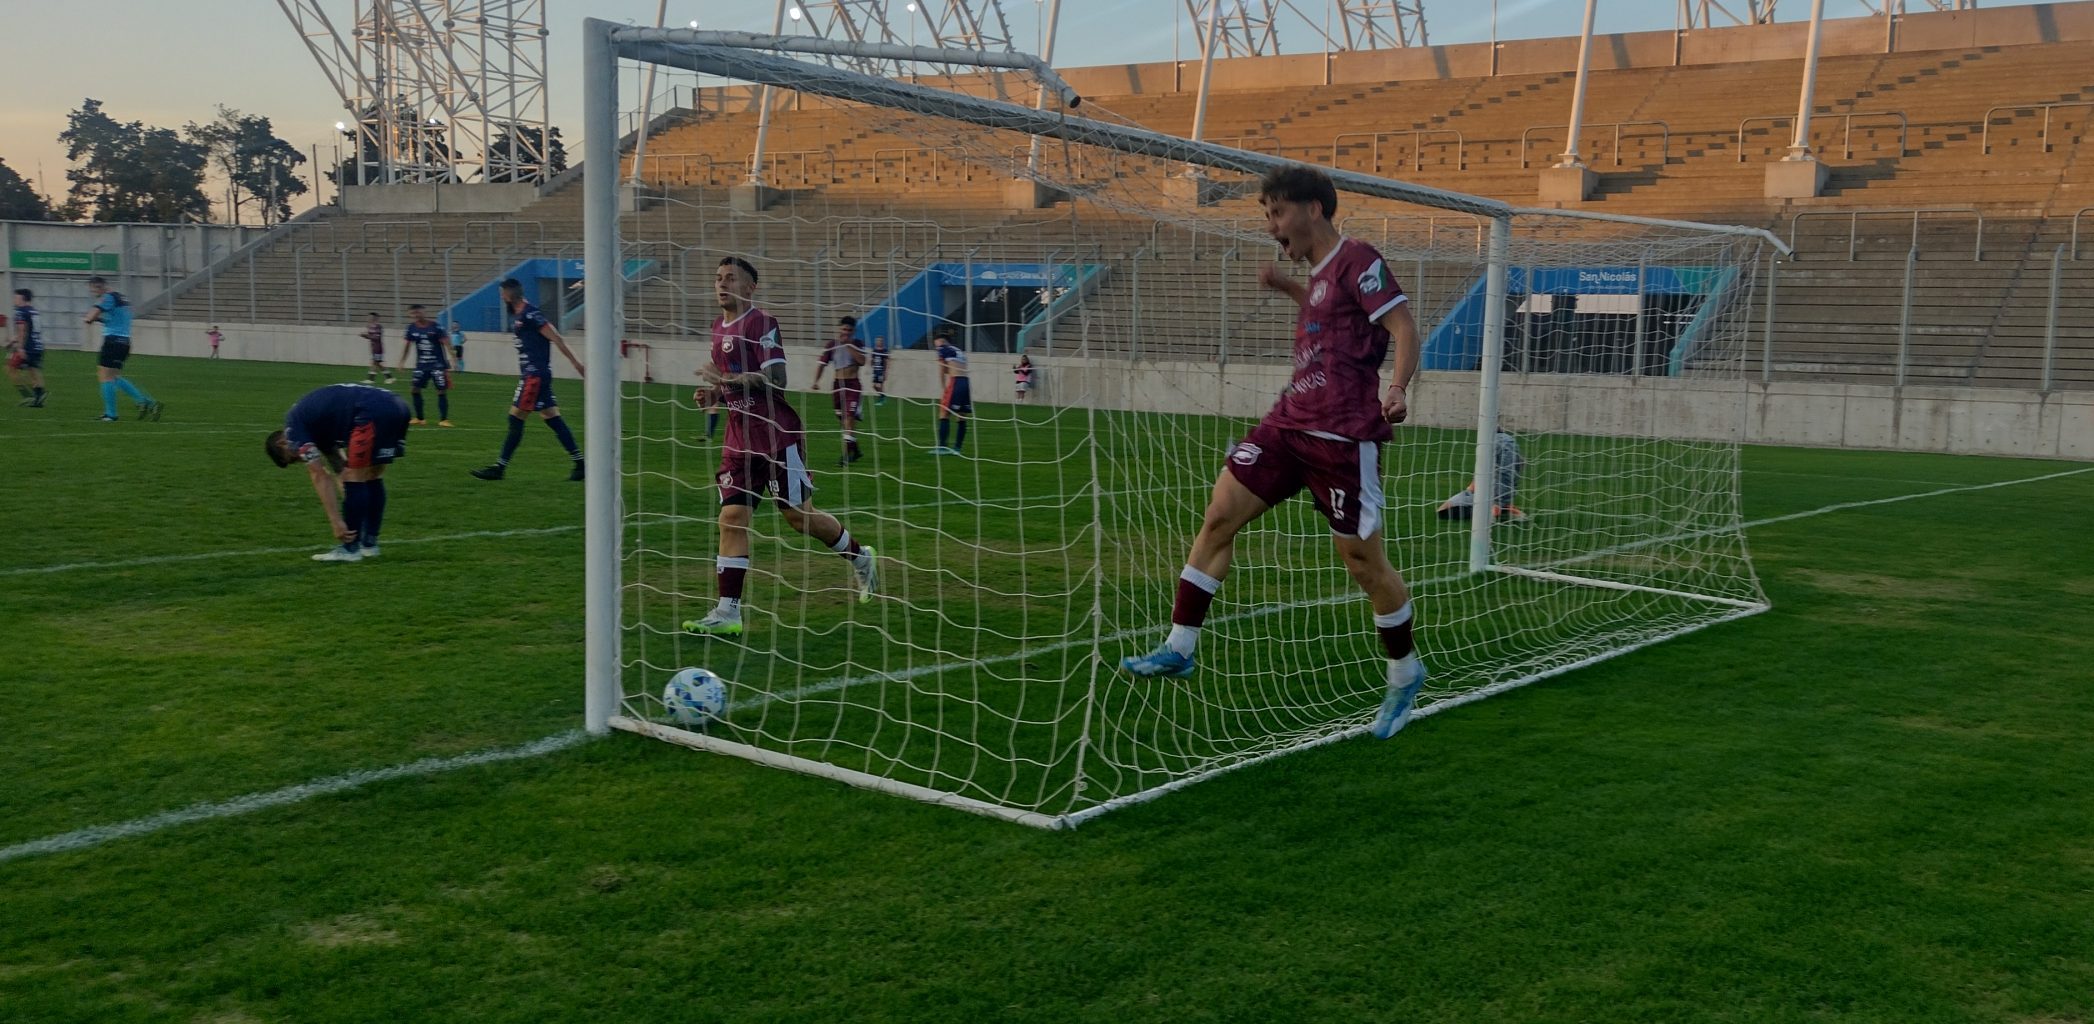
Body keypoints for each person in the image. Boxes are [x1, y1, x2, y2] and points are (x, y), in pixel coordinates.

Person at [1120, 165, 1429, 741]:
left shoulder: (1358, 258)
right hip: (1287, 425)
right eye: (1267, 215)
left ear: (1313, 209)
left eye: (1277, 213)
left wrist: (1397, 387)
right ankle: (1179, 647)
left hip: (1341, 438)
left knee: (1363, 564)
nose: (1270, 227)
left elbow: (1405, 327)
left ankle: (1405, 671)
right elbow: (1327, 314)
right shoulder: (1317, 275)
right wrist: (1289, 288)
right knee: (1220, 516)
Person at [682, 256, 878, 638]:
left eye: (731, 278)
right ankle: (727, 612)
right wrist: (714, 394)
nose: (722, 284)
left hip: (775, 436)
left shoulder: (762, 323)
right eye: (718, 278)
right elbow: (729, 382)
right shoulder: (717, 327)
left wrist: (726, 380)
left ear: (750, 287)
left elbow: (776, 378)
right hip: (738, 439)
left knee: (799, 518)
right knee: (731, 517)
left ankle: (860, 557)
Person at [264, 382, 412, 563]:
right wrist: (352, 503)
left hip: (371, 412)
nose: (299, 459)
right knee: (372, 475)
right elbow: (339, 468)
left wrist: (336, 521)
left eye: (292, 458)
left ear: (282, 443)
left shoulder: (292, 429)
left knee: (354, 476)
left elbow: (319, 475)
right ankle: (369, 544)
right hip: (397, 405)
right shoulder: (316, 428)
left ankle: (350, 549)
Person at [471, 279, 586, 481]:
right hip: (535, 374)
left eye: (502, 294)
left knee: (515, 419)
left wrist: (576, 364)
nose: (501, 297)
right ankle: (580, 464)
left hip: (534, 375)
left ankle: (499, 468)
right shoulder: (520, 315)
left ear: (509, 295)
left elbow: (556, 338)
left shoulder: (531, 315)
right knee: (552, 417)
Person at [84, 276, 160, 422]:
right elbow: (115, 319)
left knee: (105, 377)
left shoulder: (108, 297)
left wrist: (88, 319)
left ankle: (111, 414)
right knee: (114, 377)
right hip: (124, 342)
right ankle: (146, 402)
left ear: (99, 287)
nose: (93, 293)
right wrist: (99, 319)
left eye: (93, 290)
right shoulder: (122, 298)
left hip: (112, 341)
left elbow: (93, 313)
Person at [810, 314, 868, 465]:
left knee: (849, 418)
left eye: (849, 330)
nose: (846, 332)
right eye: (844, 329)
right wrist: (816, 381)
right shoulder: (832, 345)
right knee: (843, 421)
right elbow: (822, 364)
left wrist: (848, 345)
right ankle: (856, 450)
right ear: (839, 329)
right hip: (837, 386)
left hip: (852, 385)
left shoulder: (857, 343)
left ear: (853, 331)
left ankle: (845, 456)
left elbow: (862, 361)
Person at [1436, 431, 1526, 523]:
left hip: (1492, 493)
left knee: (1442, 511)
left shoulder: (1489, 443)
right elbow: (1521, 463)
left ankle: (1494, 510)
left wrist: (1469, 490)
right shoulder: (1510, 441)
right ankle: (1503, 506)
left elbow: (1478, 478)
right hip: (1508, 491)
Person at [395, 304, 456, 427]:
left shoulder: (436, 327)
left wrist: (454, 359)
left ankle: (444, 420)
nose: (416, 315)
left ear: (424, 312)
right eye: (413, 313)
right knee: (414, 389)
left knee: (441, 390)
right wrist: (402, 362)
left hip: (437, 364)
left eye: (418, 312)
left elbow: (447, 343)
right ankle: (420, 418)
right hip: (421, 365)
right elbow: (407, 346)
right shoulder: (411, 328)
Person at [931, 327, 970, 456]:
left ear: (942, 341)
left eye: (937, 344)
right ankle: (957, 448)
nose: (937, 348)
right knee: (961, 416)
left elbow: (942, 370)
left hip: (955, 382)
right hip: (965, 382)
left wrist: (943, 389)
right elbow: (953, 367)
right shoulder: (958, 350)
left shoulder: (943, 349)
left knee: (943, 413)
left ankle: (942, 447)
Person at [10, 289, 46, 408]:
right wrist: (13, 340)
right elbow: (30, 329)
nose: (14, 300)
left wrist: (20, 348)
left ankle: (27, 395)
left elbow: (22, 330)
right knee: (33, 370)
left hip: (27, 346)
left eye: (16, 298)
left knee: (11, 368)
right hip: (37, 345)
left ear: (23, 299)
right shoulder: (34, 311)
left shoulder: (21, 311)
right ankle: (39, 397)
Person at [360, 312, 392, 384]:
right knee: (376, 363)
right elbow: (370, 337)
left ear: (375, 318)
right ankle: (388, 378)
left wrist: (366, 336)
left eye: (370, 317)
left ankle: (373, 379)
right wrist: (364, 335)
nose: (368, 318)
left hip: (378, 348)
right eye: (368, 317)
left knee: (376, 363)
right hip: (373, 348)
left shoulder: (378, 327)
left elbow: (376, 338)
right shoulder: (369, 326)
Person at [869, 335, 890, 406]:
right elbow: (872, 360)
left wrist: (885, 372)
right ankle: (883, 396)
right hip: (875, 370)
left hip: (881, 370)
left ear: (882, 342)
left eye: (880, 341)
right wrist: (871, 363)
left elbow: (886, 361)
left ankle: (881, 400)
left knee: (880, 385)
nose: (878, 342)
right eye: (877, 340)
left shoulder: (884, 351)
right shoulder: (874, 350)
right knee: (874, 386)